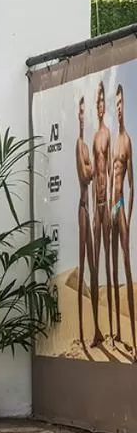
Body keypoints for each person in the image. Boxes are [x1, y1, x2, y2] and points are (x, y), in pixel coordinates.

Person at [113, 84, 135, 350]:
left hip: (120, 203)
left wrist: (128, 214)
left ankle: (132, 335)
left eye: (121, 103)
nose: (118, 108)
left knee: (127, 268)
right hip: (110, 205)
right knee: (114, 269)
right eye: (115, 103)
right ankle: (117, 331)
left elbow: (131, 184)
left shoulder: (126, 140)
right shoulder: (113, 141)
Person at [77, 94, 98, 354]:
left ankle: (95, 329)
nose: (83, 116)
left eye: (86, 112)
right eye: (81, 112)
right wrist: (90, 168)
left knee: (92, 269)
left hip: (90, 207)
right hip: (82, 209)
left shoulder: (87, 148)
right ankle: (82, 331)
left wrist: (91, 169)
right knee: (83, 268)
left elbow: (91, 172)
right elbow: (87, 175)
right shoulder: (79, 144)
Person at [93, 80, 113, 349]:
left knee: (109, 264)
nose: (99, 107)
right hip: (94, 205)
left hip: (108, 204)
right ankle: (97, 329)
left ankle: (111, 329)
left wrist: (114, 207)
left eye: (101, 102)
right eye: (96, 102)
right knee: (96, 266)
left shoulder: (108, 134)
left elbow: (107, 171)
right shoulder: (93, 137)